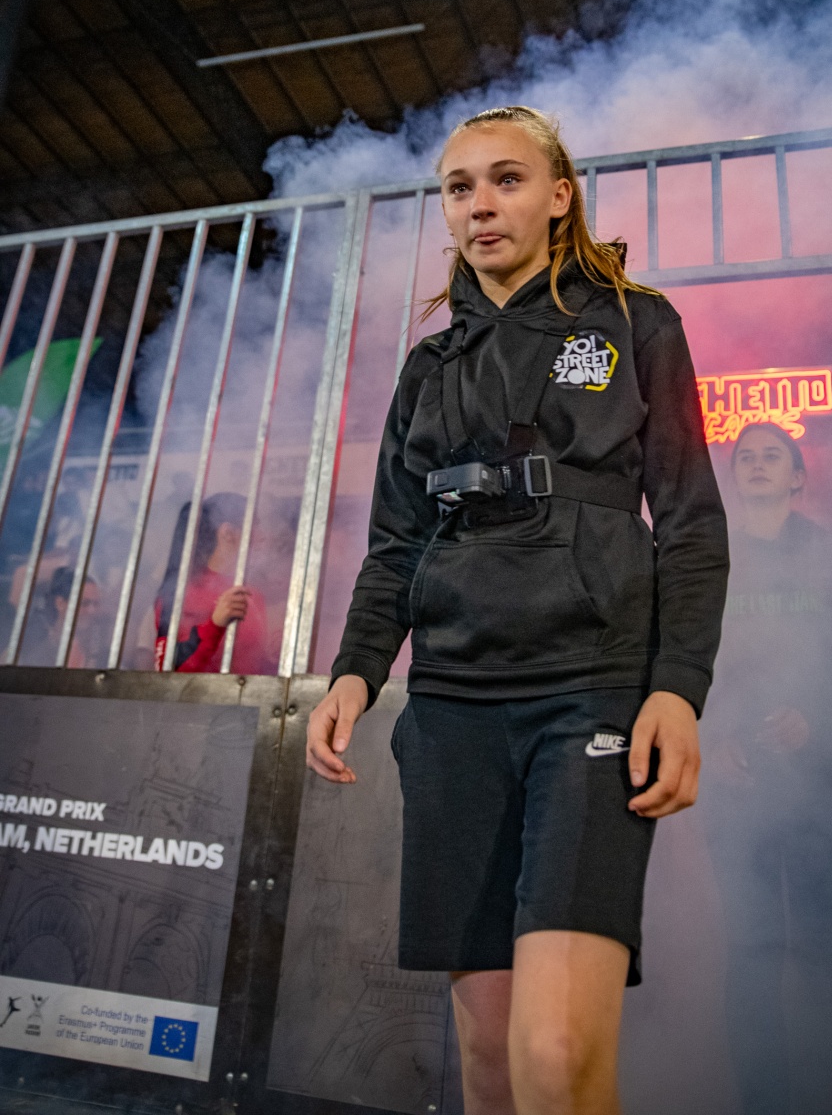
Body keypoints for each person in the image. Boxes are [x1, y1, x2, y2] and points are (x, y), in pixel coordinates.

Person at [306, 105, 729, 1115]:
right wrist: (356, 670)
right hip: (451, 707)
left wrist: (678, 689)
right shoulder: (428, 367)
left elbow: (690, 522)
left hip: (588, 695)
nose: (481, 204)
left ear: (558, 196)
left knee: (555, 1051)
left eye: (507, 179)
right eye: (460, 188)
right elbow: (396, 543)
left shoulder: (635, 323)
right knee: (491, 1062)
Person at [701, 422, 832, 1115]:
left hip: (825, 779)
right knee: (751, 949)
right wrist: (713, 740)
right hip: (737, 785)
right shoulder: (710, 558)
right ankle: (763, 1100)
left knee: (825, 942)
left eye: (772, 456)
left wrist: (816, 717)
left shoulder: (826, 553)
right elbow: (684, 657)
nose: (756, 464)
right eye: (745, 457)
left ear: (798, 477)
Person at [153, 491, 269, 673]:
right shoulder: (180, 594)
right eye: (255, 526)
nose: (263, 536)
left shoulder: (253, 595)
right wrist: (215, 625)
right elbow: (167, 671)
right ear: (228, 533)